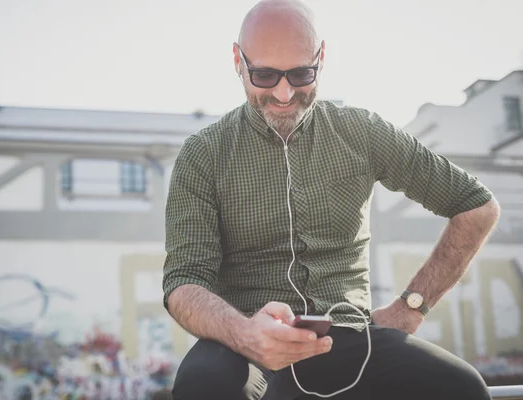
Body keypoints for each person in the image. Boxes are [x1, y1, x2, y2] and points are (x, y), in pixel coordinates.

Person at [161, 0, 501, 399]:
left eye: (302, 73)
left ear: (322, 57)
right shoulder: (203, 154)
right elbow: (183, 282)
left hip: (349, 335)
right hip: (244, 341)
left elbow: (476, 206)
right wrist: (244, 333)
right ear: (238, 60)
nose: (285, 93)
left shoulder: (362, 132)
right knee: (203, 385)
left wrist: (411, 308)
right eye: (265, 75)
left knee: (460, 388)